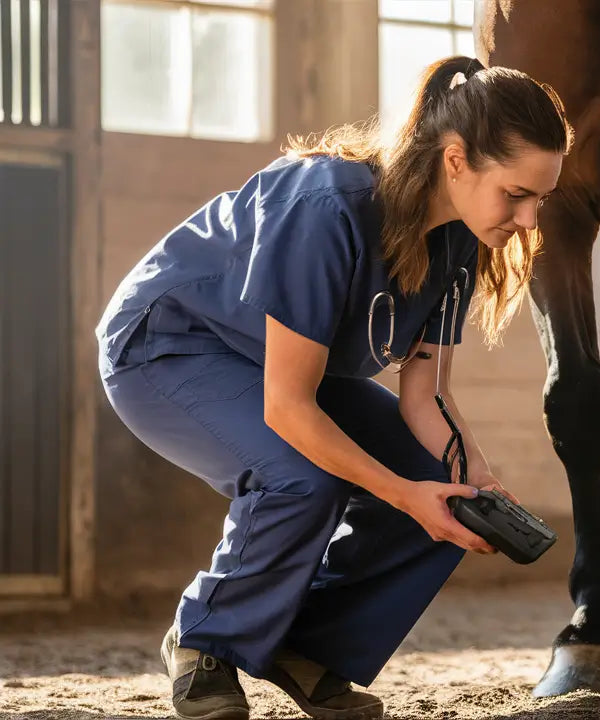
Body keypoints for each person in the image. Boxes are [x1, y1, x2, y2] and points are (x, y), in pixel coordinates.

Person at [96, 56, 573, 720]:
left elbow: (426, 395)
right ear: (457, 160)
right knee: (302, 476)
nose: (529, 221)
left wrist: (474, 478)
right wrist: (407, 497)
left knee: (441, 480)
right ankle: (204, 641)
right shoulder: (326, 206)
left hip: (267, 368)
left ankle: (304, 648)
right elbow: (289, 409)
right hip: (166, 345)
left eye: (541, 199)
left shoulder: (463, 242)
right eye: (517, 194)